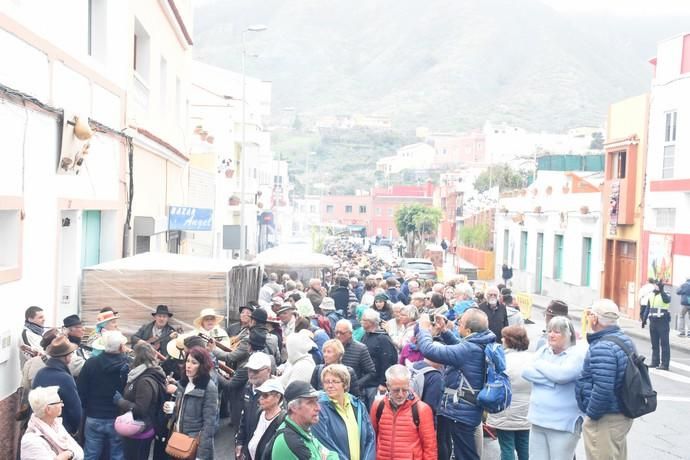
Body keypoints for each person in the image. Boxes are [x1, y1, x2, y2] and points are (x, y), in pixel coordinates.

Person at [415, 308, 497, 460]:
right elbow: (460, 347)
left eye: (460, 323)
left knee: (464, 454)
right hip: (469, 409)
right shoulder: (481, 342)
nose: (457, 324)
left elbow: (429, 350)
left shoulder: (468, 349)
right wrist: (445, 331)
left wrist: (424, 329)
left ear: (468, 329)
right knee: (465, 451)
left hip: (460, 412)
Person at [576, 299, 636, 459]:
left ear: (595, 319)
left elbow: (603, 388)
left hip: (606, 417)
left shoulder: (603, 346)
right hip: (621, 412)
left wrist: (592, 415)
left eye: (590, 315)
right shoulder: (624, 340)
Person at [522, 316, 586, 460]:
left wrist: (539, 365)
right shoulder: (544, 350)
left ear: (568, 334)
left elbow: (562, 375)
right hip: (538, 419)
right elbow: (525, 371)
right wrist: (552, 381)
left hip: (563, 424)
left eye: (557, 332)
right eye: (549, 331)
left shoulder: (577, 354)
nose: (551, 335)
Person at [78, 330, 130, 460]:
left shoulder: (91, 363)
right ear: (120, 347)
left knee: (90, 454)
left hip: (94, 416)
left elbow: (81, 390)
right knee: (117, 454)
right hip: (117, 417)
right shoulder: (127, 364)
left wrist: (87, 407)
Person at [370, 364, 437, 460]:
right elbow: (371, 439)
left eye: (405, 390)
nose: (400, 394)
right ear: (388, 386)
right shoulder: (378, 405)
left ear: (409, 384)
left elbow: (430, 448)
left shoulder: (421, 410)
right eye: (396, 390)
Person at [163, 346, 219, 460]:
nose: (188, 365)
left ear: (202, 366)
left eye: (194, 362)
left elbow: (209, 425)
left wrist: (201, 456)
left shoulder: (209, 387)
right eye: (187, 361)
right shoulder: (184, 382)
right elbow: (182, 410)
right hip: (177, 438)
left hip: (194, 443)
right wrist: (173, 408)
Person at [486, 325, 533, 460]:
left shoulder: (503, 361)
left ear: (508, 341)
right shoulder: (532, 359)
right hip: (526, 410)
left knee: (507, 447)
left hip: (505, 410)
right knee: (524, 446)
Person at [311, 364, 376, 460]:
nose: (330, 385)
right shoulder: (319, 408)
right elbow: (325, 443)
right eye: (326, 382)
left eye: (335, 382)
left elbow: (370, 437)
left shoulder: (358, 405)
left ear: (345, 384)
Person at [116, 341, 166, 460]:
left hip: (140, 431)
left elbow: (140, 409)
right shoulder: (141, 374)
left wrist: (120, 401)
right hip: (138, 429)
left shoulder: (144, 381)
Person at [267, 380, 338, 459]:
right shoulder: (291, 441)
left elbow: (332, 454)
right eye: (310, 403)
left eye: (316, 401)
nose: (318, 408)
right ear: (293, 407)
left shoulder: (302, 430)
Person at [32, 335, 82, 436]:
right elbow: (74, 409)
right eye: (71, 355)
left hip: (40, 428)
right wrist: (74, 429)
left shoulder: (40, 373)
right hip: (60, 429)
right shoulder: (65, 378)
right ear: (66, 357)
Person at [21, 386, 84, 460]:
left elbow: (80, 453)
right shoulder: (31, 440)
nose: (62, 405)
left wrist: (69, 454)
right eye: (59, 402)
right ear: (48, 409)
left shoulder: (56, 426)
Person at [235, 352, 274, 460]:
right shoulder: (248, 387)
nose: (251, 374)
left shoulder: (275, 394)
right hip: (248, 448)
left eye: (256, 370)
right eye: (249, 370)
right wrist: (240, 442)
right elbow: (243, 417)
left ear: (268, 371)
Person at [360, 310, 398, 408]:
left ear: (371, 322)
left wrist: (383, 383)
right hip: (365, 381)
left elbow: (387, 361)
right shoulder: (365, 336)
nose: (361, 322)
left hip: (376, 384)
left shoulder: (383, 339)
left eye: (364, 320)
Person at [336, 320, 377, 405]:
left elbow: (371, 372)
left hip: (353, 396)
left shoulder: (360, 349)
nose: (338, 335)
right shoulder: (332, 347)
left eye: (341, 333)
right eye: (336, 332)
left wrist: (356, 384)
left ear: (350, 334)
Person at [245, 379, 286, 460]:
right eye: (260, 394)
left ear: (278, 397)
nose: (260, 398)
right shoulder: (260, 412)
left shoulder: (282, 420)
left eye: (265, 395)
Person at [647, 280, 672, 370]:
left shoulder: (666, 294)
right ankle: (655, 361)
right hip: (653, 322)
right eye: (654, 285)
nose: (655, 287)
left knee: (664, 343)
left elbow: (666, 300)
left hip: (662, 321)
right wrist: (644, 318)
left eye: (657, 285)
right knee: (654, 343)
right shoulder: (651, 294)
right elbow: (648, 307)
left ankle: (665, 364)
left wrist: (661, 291)